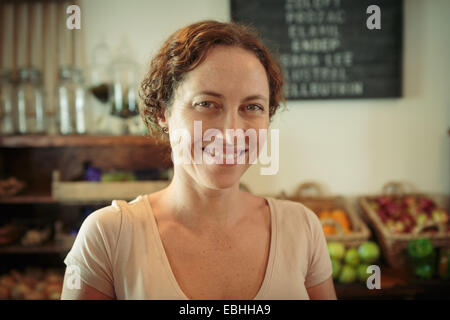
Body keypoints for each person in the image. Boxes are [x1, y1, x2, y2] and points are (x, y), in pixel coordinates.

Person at [61, 20, 336, 300]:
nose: (230, 134)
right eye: (206, 104)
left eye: (252, 107)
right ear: (162, 113)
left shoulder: (302, 228)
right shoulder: (109, 236)